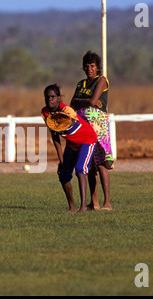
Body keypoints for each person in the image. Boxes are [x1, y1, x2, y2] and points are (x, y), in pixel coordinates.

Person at [42, 84, 97, 213]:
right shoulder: (44, 112)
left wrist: (61, 119)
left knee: (80, 169)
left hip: (87, 139)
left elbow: (71, 122)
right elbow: (55, 135)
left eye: (53, 97)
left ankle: (83, 207)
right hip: (72, 143)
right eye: (47, 97)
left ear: (59, 98)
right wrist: (61, 160)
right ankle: (72, 207)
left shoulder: (67, 111)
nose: (50, 99)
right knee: (63, 175)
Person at [70, 51, 113, 211]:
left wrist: (82, 101)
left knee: (101, 162)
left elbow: (94, 101)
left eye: (92, 66)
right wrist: (85, 102)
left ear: (98, 68)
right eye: (87, 66)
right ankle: (93, 203)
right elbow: (72, 104)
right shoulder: (81, 84)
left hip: (98, 125)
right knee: (90, 164)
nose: (89, 69)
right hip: (83, 126)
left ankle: (107, 202)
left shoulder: (101, 80)